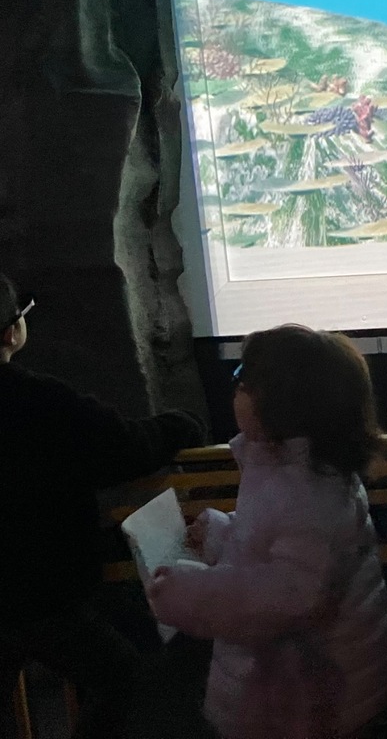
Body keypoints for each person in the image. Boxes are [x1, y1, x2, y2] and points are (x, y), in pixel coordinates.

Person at [147, 324, 387, 739]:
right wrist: (220, 532)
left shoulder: (308, 492)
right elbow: (271, 548)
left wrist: (187, 593)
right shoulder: (293, 469)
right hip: (296, 689)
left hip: (306, 700)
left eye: (243, 379)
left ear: (282, 403)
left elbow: (289, 597)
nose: (235, 389)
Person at [0, 273, 205, 739]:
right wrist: (182, 425)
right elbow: (125, 448)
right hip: (44, 599)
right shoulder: (42, 402)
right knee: (125, 684)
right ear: (12, 332)